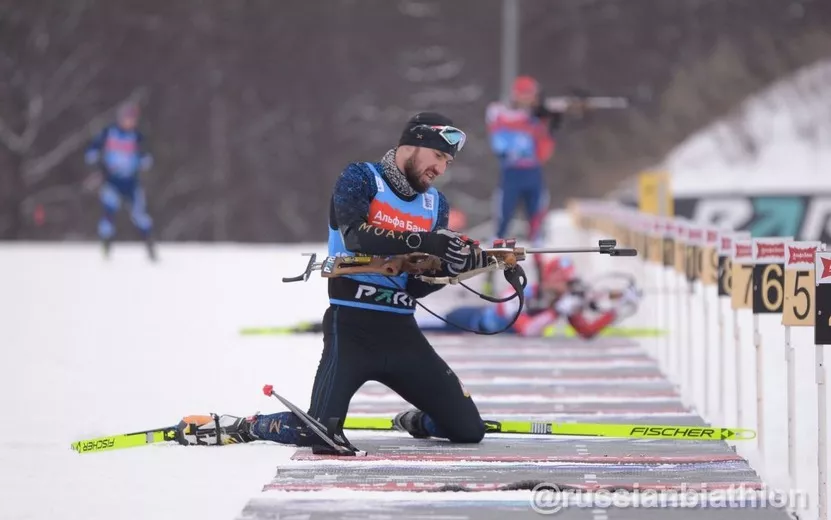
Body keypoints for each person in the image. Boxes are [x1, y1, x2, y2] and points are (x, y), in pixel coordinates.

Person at [174, 112, 491, 447]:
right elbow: (356, 238)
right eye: (439, 156)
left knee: (469, 430)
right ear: (413, 144)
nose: (441, 169)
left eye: (447, 162)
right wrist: (425, 241)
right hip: (351, 329)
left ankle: (421, 419)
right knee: (323, 435)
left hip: (401, 333)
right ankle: (247, 426)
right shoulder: (361, 177)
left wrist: (452, 269)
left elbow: (414, 285)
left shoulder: (435, 203)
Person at [483, 76, 585, 294]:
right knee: (500, 230)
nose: (529, 99)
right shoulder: (499, 112)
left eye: (532, 95)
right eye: (525, 94)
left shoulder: (537, 118)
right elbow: (499, 139)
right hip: (510, 177)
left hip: (533, 178)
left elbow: (543, 152)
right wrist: (533, 118)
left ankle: (541, 285)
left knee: (537, 233)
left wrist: (549, 127)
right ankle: (489, 280)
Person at [418, 256, 641, 339]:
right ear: (550, 278)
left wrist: (615, 310)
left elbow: (586, 331)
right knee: (424, 327)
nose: (566, 286)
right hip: (471, 321)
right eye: (562, 279)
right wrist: (557, 311)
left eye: (569, 280)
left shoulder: (563, 300)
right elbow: (527, 330)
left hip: (493, 333)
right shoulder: (526, 293)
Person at [84, 102, 156, 260]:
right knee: (108, 213)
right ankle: (106, 247)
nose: (130, 122)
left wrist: (143, 160)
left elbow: (148, 158)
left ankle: (150, 246)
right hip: (112, 182)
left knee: (140, 215)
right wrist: (98, 163)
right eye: (127, 118)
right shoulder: (109, 132)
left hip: (131, 182)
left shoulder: (137, 136)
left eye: (133, 119)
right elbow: (91, 152)